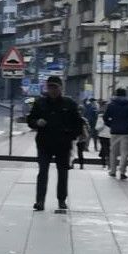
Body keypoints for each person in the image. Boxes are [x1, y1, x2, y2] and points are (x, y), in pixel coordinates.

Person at [27, 76, 85, 211]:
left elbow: (78, 124)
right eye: (50, 87)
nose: (52, 90)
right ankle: (40, 201)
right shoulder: (40, 103)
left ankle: (61, 199)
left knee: (63, 172)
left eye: (55, 87)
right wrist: (37, 123)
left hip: (63, 144)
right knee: (42, 171)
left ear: (61, 88)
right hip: (44, 143)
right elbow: (30, 120)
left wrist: (70, 136)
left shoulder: (69, 104)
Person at [103, 87, 128, 180]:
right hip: (126, 132)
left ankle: (112, 171)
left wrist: (111, 125)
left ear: (116, 94)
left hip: (115, 131)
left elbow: (105, 118)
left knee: (113, 152)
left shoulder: (111, 105)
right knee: (124, 152)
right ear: (125, 95)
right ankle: (122, 172)